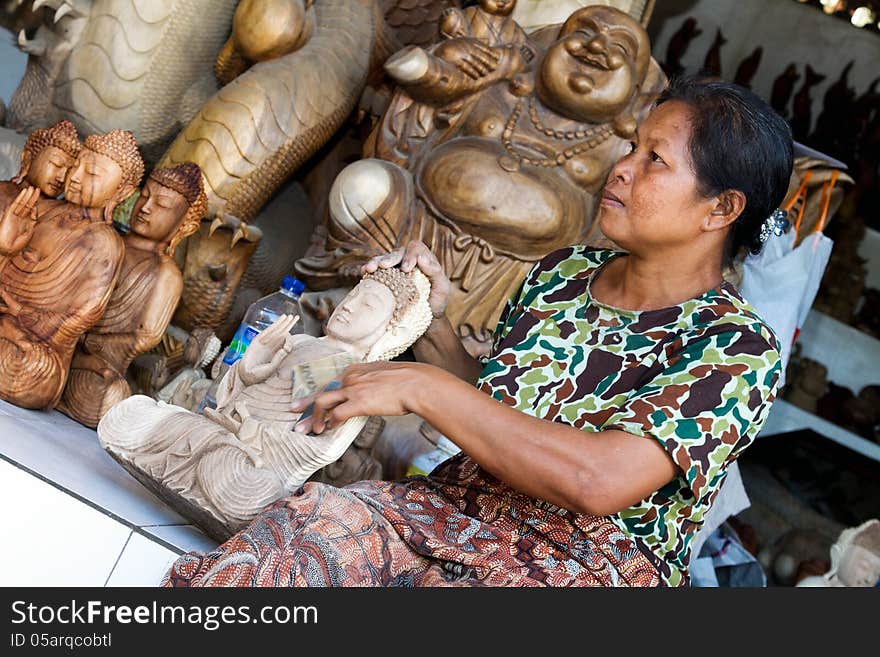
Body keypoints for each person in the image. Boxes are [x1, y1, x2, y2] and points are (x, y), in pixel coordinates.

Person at [164, 75, 791, 587]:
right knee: (304, 529)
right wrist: (430, 318)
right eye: (632, 147)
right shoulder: (568, 272)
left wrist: (425, 389)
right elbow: (493, 403)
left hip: (581, 568)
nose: (623, 168)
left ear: (722, 208)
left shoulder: (735, 346)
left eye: (655, 160)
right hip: (453, 511)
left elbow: (597, 482)